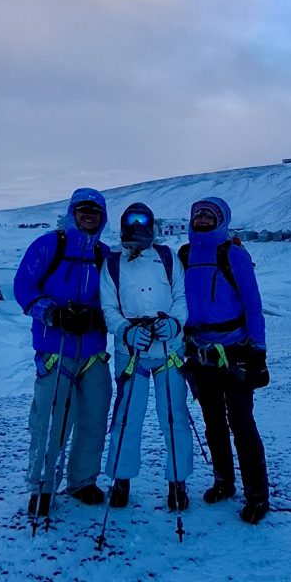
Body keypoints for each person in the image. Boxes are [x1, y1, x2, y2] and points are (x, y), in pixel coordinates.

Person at [13, 188, 112, 515]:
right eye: (83, 210)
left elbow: (116, 301)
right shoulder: (48, 246)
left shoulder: (104, 255)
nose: (88, 216)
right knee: (51, 422)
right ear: (72, 212)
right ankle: (42, 487)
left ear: (102, 218)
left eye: (95, 212)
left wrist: (97, 316)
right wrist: (52, 313)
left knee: (94, 419)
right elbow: (24, 288)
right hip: (55, 350)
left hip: (94, 352)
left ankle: (83, 481)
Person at [180, 195, 270, 523]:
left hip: (235, 354)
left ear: (221, 219)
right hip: (199, 354)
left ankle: (257, 494)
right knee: (214, 423)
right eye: (198, 214)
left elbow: (253, 306)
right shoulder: (185, 254)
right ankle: (224, 481)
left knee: (242, 424)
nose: (202, 219)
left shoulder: (234, 254)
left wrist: (258, 352)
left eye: (209, 215)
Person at [99, 202, 193, 512]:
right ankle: (121, 478)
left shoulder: (167, 258)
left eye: (143, 222)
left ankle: (177, 482)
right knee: (128, 417)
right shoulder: (112, 264)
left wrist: (175, 322)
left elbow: (181, 297)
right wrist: (126, 331)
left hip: (169, 349)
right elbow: (109, 309)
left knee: (173, 416)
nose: (138, 227)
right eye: (132, 221)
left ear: (151, 226)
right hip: (132, 352)